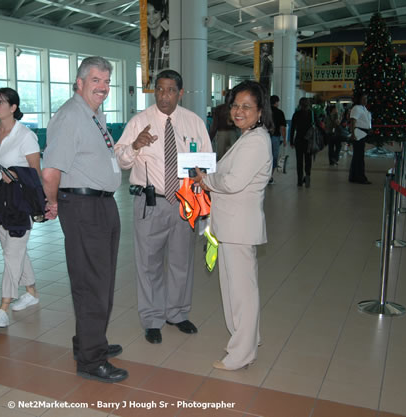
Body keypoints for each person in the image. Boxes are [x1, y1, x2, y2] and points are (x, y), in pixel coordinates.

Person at [42, 56, 127, 383]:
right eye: (96, 80)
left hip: (101, 204)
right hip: (83, 206)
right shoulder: (70, 117)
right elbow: (51, 170)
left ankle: (91, 342)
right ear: (79, 83)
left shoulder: (92, 114)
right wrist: (51, 202)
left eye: (106, 81)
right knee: (92, 283)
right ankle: (92, 361)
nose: (103, 87)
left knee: (101, 280)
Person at [115, 69, 212, 345]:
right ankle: (152, 318)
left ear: (180, 93)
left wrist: (201, 176)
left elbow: (206, 163)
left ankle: (178, 314)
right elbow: (121, 161)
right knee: (149, 264)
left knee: (182, 262)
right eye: (159, 89)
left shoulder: (194, 123)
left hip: (184, 202)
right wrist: (134, 146)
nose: (164, 95)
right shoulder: (139, 122)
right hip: (150, 203)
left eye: (170, 90)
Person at [192, 80, 272, 371]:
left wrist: (206, 180)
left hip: (239, 228)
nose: (239, 111)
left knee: (241, 292)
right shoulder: (247, 137)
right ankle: (248, 339)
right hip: (231, 226)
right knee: (237, 289)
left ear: (260, 111)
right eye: (236, 105)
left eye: (246, 107)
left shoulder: (256, 141)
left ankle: (242, 353)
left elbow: (234, 182)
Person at [0, 88, 42, 328]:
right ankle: (32, 292)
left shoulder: (25, 136)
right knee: (13, 251)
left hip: (19, 203)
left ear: (13, 107)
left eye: (1, 103)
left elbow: (35, 173)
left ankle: (3, 306)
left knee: (12, 254)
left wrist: (16, 174)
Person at [290, 97, 313, 187]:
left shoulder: (296, 114)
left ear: (300, 104)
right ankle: (307, 178)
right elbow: (318, 126)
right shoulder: (312, 114)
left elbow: (292, 129)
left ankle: (299, 180)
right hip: (309, 141)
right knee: (308, 160)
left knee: (299, 161)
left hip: (299, 140)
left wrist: (291, 141)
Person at [145, 0, 169, 90]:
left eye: (155, 12)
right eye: (147, 14)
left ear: (162, 14)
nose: (151, 18)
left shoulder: (171, 37)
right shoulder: (146, 40)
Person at [349, 93, 371, 184]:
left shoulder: (364, 108)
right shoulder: (356, 108)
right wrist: (353, 133)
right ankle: (359, 176)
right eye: (363, 98)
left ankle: (354, 176)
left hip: (363, 134)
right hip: (358, 133)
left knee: (358, 156)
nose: (365, 100)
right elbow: (353, 121)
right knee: (358, 156)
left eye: (366, 98)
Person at [210, 93, 240, 161]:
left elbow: (214, 125)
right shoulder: (222, 109)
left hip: (227, 132)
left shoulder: (221, 108)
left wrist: (210, 137)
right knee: (230, 155)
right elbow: (215, 124)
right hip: (228, 132)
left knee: (225, 156)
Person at [269, 95, 287, 183]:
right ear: (276, 102)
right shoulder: (280, 112)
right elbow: (282, 127)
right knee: (274, 157)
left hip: (264, 138)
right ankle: (270, 177)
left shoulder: (264, 112)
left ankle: (263, 176)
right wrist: (284, 139)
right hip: (275, 137)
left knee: (265, 157)